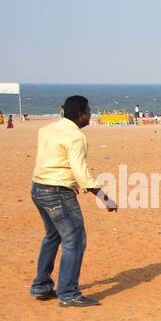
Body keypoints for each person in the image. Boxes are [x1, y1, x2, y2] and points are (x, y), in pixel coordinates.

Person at [29, 95, 113, 306]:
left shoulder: (46, 130)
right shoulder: (76, 137)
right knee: (74, 240)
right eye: (88, 111)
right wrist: (104, 197)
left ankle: (41, 286)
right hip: (58, 192)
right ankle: (68, 294)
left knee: (52, 236)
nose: (90, 114)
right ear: (80, 115)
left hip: (38, 189)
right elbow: (81, 173)